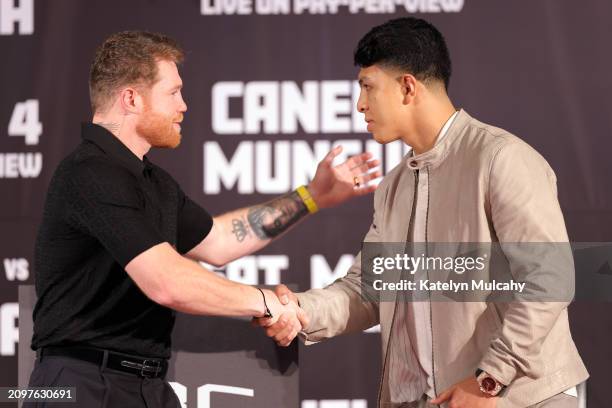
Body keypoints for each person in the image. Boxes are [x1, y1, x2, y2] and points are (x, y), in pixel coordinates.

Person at [25, 31, 381, 408]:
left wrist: (312, 197)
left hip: (146, 385)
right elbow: (167, 281)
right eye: (173, 92)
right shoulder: (90, 173)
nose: (184, 105)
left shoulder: (152, 182)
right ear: (131, 98)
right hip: (79, 384)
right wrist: (265, 302)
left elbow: (220, 241)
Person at [260, 17, 589, 408]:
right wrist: (301, 311)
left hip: (516, 398)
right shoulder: (394, 186)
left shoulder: (501, 158)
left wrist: (489, 378)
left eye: (368, 87)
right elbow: (369, 289)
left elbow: (549, 278)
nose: (360, 104)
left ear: (407, 87)